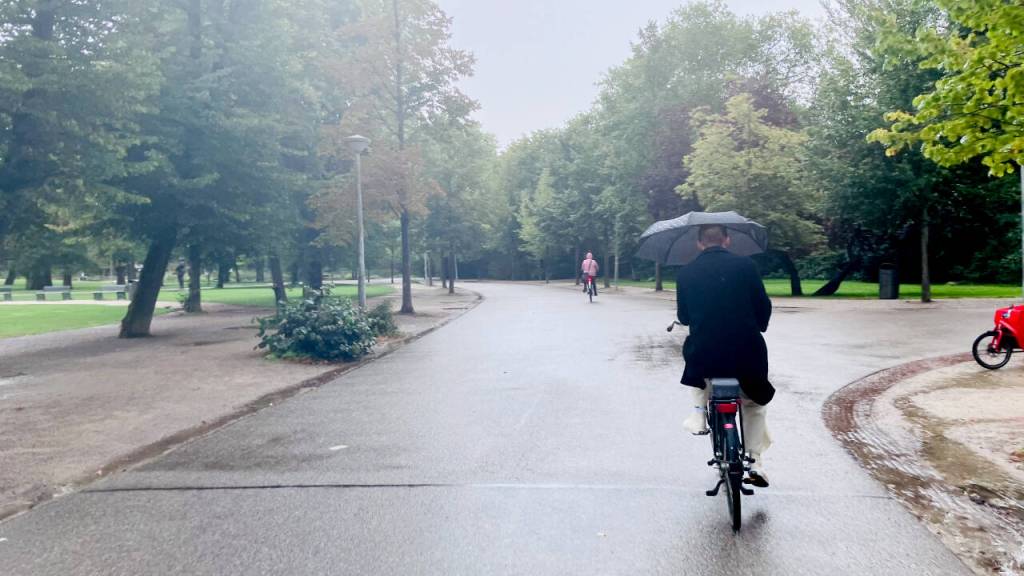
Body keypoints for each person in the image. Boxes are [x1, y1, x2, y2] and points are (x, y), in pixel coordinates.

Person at [676, 225, 773, 487]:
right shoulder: (746, 267)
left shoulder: (686, 273)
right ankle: (755, 461)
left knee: (696, 368)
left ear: (699, 243)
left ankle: (698, 413)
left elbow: (684, 316)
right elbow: (762, 305)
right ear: (727, 240)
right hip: (746, 350)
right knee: (754, 402)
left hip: (706, 353)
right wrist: (758, 325)